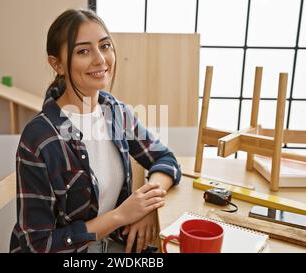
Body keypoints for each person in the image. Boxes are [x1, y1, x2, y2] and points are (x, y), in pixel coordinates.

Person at [10, 8, 181, 253]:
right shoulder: (40, 138)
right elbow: (38, 246)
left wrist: (148, 204)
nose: (100, 59)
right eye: (83, 51)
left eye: (105, 46)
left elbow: (166, 159)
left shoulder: (115, 111)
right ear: (56, 64)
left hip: (111, 243)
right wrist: (121, 216)